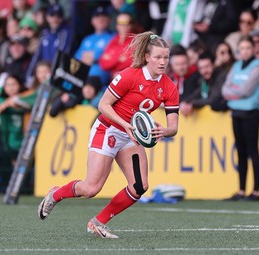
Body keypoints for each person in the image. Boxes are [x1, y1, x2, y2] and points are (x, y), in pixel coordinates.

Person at [37, 31, 179, 239]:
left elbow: (173, 127)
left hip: (131, 137)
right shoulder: (129, 75)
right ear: (147, 57)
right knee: (91, 188)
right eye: (158, 57)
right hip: (108, 129)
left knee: (139, 187)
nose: (162, 61)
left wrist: (163, 131)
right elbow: (103, 105)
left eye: (166, 57)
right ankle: (55, 194)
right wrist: (125, 124)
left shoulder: (169, 86)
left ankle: (98, 222)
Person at [221, 35, 259, 201]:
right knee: (240, 151)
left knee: (252, 150)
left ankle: (255, 191)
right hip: (237, 112)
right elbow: (225, 88)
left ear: (253, 49)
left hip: (251, 112)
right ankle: (241, 190)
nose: (245, 52)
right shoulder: (237, 65)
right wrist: (235, 92)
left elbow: (245, 91)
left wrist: (234, 91)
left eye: (248, 48)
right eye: (242, 49)